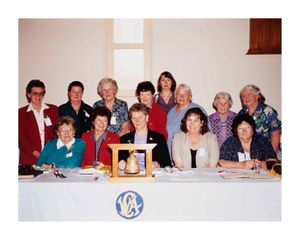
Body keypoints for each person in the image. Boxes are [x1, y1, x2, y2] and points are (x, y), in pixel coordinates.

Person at [118, 103, 172, 170]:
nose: (137, 121)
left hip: (153, 177)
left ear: (147, 118)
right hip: (131, 177)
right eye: (134, 118)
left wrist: (157, 165)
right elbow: (119, 160)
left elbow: (167, 163)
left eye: (140, 117)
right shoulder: (124, 139)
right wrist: (121, 163)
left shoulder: (159, 138)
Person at [19, 79, 59, 165]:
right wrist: (38, 155)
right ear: (29, 94)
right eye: (35, 93)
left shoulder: (53, 110)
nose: (38, 96)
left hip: (50, 158)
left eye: (41, 93)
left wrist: (49, 153)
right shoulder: (20, 113)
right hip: (29, 160)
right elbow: (22, 139)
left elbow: (56, 133)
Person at [166, 83, 209, 156]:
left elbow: (206, 132)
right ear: (175, 96)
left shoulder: (197, 110)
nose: (181, 96)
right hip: (171, 153)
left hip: (189, 154)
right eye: (179, 94)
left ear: (189, 96)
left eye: (185, 94)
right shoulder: (171, 112)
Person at [239, 84, 281, 151]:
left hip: (266, 151)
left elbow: (276, 133)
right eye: (243, 96)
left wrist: (271, 156)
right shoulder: (242, 113)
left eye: (249, 94)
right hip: (248, 152)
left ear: (256, 96)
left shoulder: (268, 111)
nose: (246, 97)